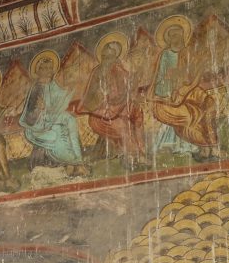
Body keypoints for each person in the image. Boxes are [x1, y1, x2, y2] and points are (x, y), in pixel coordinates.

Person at [150, 15, 218, 159]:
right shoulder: (165, 55)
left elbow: (194, 75)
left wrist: (188, 79)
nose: (178, 38)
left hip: (188, 91)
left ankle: (212, 145)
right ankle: (204, 146)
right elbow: (161, 78)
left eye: (180, 34)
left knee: (209, 104)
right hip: (168, 97)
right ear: (169, 39)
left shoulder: (188, 52)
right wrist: (172, 89)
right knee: (192, 116)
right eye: (174, 35)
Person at [77, 34, 145, 164]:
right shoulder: (97, 72)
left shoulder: (119, 70)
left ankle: (141, 150)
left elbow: (128, 86)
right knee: (123, 126)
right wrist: (100, 94)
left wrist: (136, 77)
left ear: (116, 57)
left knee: (138, 114)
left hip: (119, 108)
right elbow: (89, 99)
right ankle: (134, 156)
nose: (107, 61)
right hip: (101, 115)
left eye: (111, 57)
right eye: (105, 57)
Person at [20, 52, 85, 175]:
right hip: (39, 126)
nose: (48, 71)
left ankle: (79, 161)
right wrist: (39, 109)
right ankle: (73, 163)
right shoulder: (36, 89)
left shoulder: (53, 85)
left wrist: (69, 91)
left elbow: (60, 100)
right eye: (44, 68)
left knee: (71, 120)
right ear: (38, 71)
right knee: (59, 131)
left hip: (52, 118)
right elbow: (29, 119)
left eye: (50, 68)